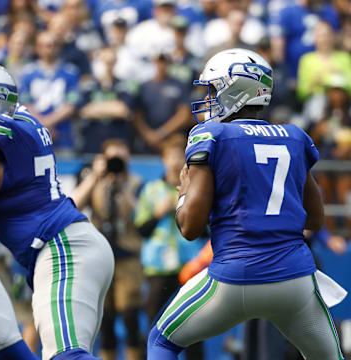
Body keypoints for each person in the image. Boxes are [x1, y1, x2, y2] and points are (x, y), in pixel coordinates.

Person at [147, 48, 345, 360]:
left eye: (213, 89)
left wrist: (184, 191)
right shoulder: (293, 136)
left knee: (161, 342)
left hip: (235, 278)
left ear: (235, 89)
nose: (208, 98)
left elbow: (189, 227)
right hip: (295, 281)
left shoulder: (213, 135)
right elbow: (316, 221)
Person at [0, 63, 114, 359]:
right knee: (1, 342)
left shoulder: (3, 131)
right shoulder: (21, 119)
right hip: (68, 246)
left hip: (61, 249)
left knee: (66, 356)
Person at [135, 134, 206, 360]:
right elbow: (141, 230)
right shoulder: (151, 190)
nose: (175, 162)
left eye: (180, 157)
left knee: (196, 327)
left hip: (190, 267)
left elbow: (205, 229)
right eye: (170, 156)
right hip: (158, 268)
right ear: (163, 159)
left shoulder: (197, 189)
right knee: (156, 324)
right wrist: (158, 213)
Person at [72, 139, 144, 360]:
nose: (115, 162)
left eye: (120, 158)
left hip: (127, 257)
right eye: (111, 157)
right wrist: (96, 176)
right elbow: (74, 205)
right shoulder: (91, 178)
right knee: (105, 320)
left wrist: (122, 187)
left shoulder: (136, 182)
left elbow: (141, 215)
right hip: (99, 258)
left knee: (131, 316)